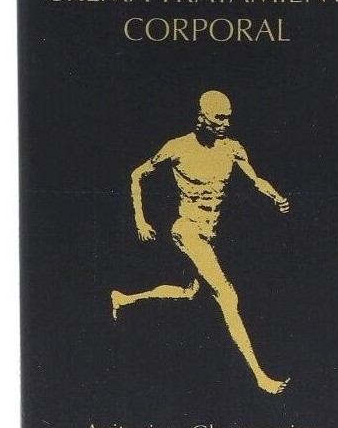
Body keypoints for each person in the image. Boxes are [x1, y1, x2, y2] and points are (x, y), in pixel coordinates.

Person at [111, 90, 290, 394]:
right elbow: (137, 175)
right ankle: (260, 376)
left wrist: (276, 197)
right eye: (219, 118)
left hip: (209, 235)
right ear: (202, 117)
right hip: (187, 230)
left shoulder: (232, 149)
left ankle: (123, 299)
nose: (225, 124)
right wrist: (140, 220)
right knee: (227, 295)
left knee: (190, 293)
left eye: (228, 118)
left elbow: (255, 179)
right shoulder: (178, 148)